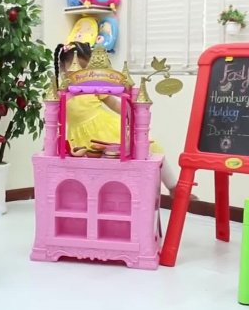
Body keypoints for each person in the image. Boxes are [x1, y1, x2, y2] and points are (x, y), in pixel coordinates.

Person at [54, 41, 196, 200]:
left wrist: (132, 114)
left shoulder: (93, 87)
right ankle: (103, 198)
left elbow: (114, 103)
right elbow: (55, 117)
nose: (82, 73)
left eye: (86, 68)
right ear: (63, 67)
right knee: (94, 168)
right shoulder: (61, 92)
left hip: (106, 127)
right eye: (77, 67)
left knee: (149, 146)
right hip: (81, 137)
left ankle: (173, 186)